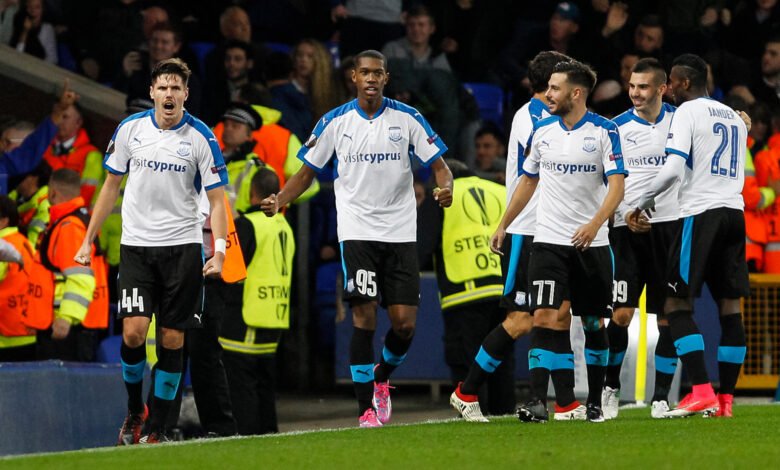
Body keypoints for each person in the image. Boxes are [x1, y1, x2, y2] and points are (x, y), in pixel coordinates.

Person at [260, 49, 453, 428]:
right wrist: (280, 199)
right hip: (357, 232)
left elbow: (441, 168)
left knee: (404, 325)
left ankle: (381, 377)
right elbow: (306, 173)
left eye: (377, 73)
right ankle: (366, 408)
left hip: (399, 232)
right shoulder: (335, 122)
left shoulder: (407, 118)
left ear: (386, 78)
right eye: (364, 72)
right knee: (363, 318)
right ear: (353, 76)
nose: (370, 78)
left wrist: (444, 189)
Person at [74, 58, 229, 443]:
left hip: (183, 248)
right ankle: (134, 409)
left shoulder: (201, 137)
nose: (169, 94)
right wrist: (87, 238)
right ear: (152, 93)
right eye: (163, 87)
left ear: (186, 95)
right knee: (133, 334)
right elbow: (110, 185)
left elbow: (219, 199)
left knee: (173, 340)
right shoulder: (130, 130)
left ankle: (158, 427)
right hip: (138, 247)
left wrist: (221, 250)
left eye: (176, 88)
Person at [491, 59, 627, 423]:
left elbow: (617, 185)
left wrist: (595, 223)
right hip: (548, 241)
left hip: (591, 244)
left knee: (593, 323)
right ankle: (538, 400)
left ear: (576, 93)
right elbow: (528, 181)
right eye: (548, 87)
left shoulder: (603, 131)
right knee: (545, 316)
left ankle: (595, 399)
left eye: (555, 88)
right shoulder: (543, 132)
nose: (548, 94)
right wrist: (504, 223)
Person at [450, 50, 576, 423]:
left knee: (561, 316)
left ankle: (567, 402)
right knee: (524, 319)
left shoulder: (550, 116)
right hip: (529, 229)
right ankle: (466, 391)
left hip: (554, 230)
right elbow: (534, 174)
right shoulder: (533, 117)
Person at [633, 54, 749, 418]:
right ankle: (726, 401)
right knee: (730, 308)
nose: (666, 87)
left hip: (700, 214)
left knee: (675, 304)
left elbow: (671, 168)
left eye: (670, 81)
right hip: (735, 212)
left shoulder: (687, 113)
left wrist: (643, 201)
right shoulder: (733, 115)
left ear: (683, 83)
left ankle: (700, 390)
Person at [605, 58, 681, 419]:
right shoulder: (615, 127)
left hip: (669, 228)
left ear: (662, 89)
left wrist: (740, 120)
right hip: (626, 232)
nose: (635, 93)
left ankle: (661, 397)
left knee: (669, 315)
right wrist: (624, 215)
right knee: (620, 315)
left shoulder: (681, 123)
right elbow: (607, 183)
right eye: (632, 86)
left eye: (643, 87)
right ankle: (609, 388)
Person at [430, 159, 514, 418]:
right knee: (500, 357)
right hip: (502, 287)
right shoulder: (501, 191)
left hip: (463, 290)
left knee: (466, 361)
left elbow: (424, 242)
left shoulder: (443, 195)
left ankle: (473, 413)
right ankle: (504, 415)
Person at [220, 168, 295, 435]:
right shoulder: (283, 224)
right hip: (274, 315)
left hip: (245, 317)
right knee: (264, 387)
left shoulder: (248, 224)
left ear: (252, 192)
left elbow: (231, 270)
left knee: (242, 389)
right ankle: (268, 441)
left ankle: (248, 442)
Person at [36, 169, 108, 361]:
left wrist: (66, 318)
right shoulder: (78, 221)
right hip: (76, 323)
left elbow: (80, 277)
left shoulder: (70, 227)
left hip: (70, 326)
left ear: (52, 192)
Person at [42, 103, 103, 204]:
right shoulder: (43, 145)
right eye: (58, 115)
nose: (60, 121)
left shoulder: (91, 155)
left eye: (65, 117)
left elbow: (86, 195)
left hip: (65, 212)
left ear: (78, 122)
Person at [0, 194, 37, 362]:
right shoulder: (26, 243)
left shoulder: (3, 247)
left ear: (4, 221)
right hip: (28, 331)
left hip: (5, 335)